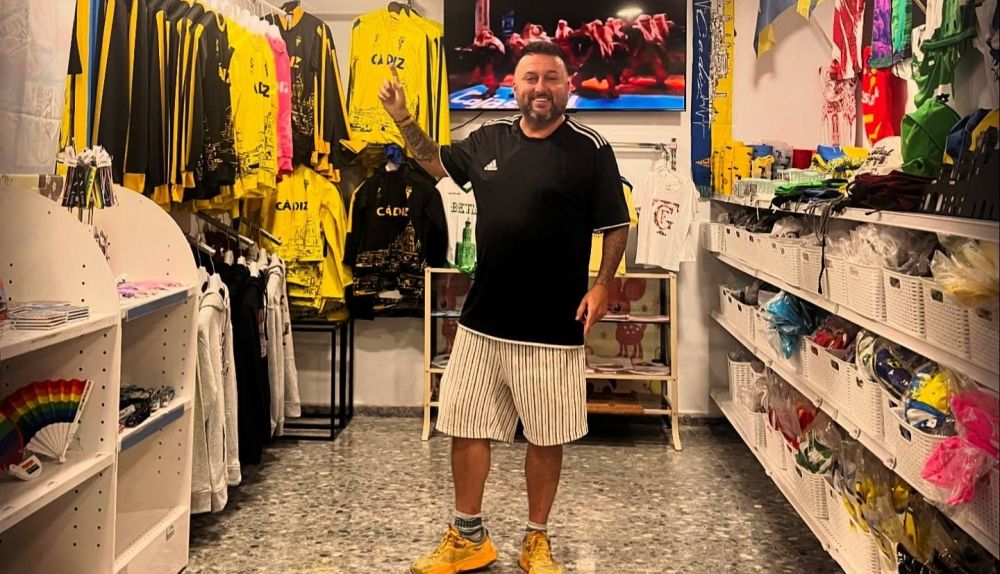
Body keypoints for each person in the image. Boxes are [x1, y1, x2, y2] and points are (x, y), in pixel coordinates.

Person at [378, 41, 629, 574]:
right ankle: (469, 537)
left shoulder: (590, 148)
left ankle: (536, 539)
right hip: (483, 320)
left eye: (551, 78)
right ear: (514, 86)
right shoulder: (488, 137)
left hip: (553, 324)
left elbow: (615, 223)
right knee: (466, 425)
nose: (541, 88)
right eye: (530, 78)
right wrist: (403, 118)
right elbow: (434, 161)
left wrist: (603, 285)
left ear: (568, 86)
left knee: (546, 435)